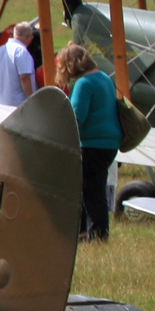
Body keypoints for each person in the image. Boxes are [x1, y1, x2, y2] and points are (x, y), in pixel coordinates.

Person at [60, 43, 120, 241]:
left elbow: (76, 117)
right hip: (109, 144)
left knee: (91, 192)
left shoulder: (84, 84)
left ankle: (97, 234)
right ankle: (85, 232)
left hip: (92, 144)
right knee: (92, 188)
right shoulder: (104, 77)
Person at [0, 23, 38, 106]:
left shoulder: (0, 50)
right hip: (18, 104)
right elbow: (24, 77)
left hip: (1, 101)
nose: (32, 38)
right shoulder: (21, 51)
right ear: (27, 36)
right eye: (31, 36)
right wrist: (32, 99)